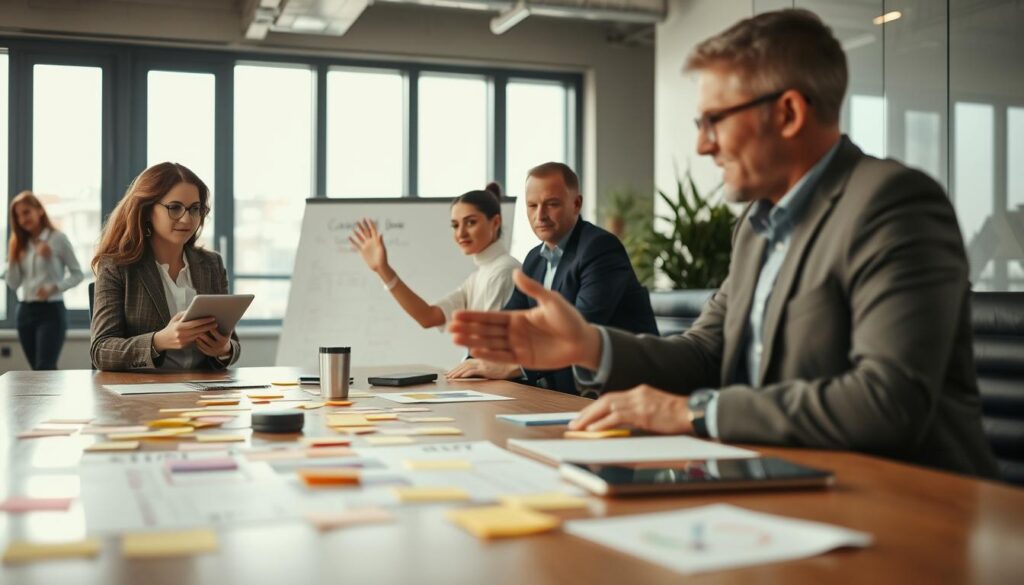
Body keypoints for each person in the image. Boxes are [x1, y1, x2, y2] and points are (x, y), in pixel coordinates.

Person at [448, 9, 999, 478]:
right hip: (778, 479)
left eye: (715, 120)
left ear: (787, 113)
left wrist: (696, 413)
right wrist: (591, 347)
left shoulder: (893, 204)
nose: (703, 144)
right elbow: (706, 351)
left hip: (903, 504)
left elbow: (886, 401)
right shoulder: (757, 226)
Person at [449, 162, 658, 394]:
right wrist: (474, 359)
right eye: (532, 205)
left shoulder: (599, 248)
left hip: (615, 393)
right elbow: (506, 324)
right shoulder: (534, 260)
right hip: (558, 394)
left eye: (552, 204)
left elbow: (580, 332)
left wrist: (514, 366)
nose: (540, 216)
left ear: (576, 204)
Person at [349, 183, 520, 371]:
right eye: (455, 225)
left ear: (495, 223)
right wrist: (382, 269)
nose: (460, 233)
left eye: (471, 222)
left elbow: (491, 352)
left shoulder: (503, 271)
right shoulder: (479, 276)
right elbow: (428, 317)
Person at [90, 162, 240, 371]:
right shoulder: (117, 266)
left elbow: (232, 343)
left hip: (202, 392)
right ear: (147, 209)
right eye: (175, 208)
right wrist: (158, 341)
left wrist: (223, 349)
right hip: (143, 395)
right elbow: (101, 350)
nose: (187, 219)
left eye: (195, 209)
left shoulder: (212, 264)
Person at [4, 191, 83, 370]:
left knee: (44, 367)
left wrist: (54, 287)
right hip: (24, 311)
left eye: (26, 212)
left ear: (39, 210)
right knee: (36, 371)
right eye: (18, 215)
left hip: (51, 312)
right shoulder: (18, 244)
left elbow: (77, 274)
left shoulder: (58, 239)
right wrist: (12, 259)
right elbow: (13, 284)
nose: (23, 219)